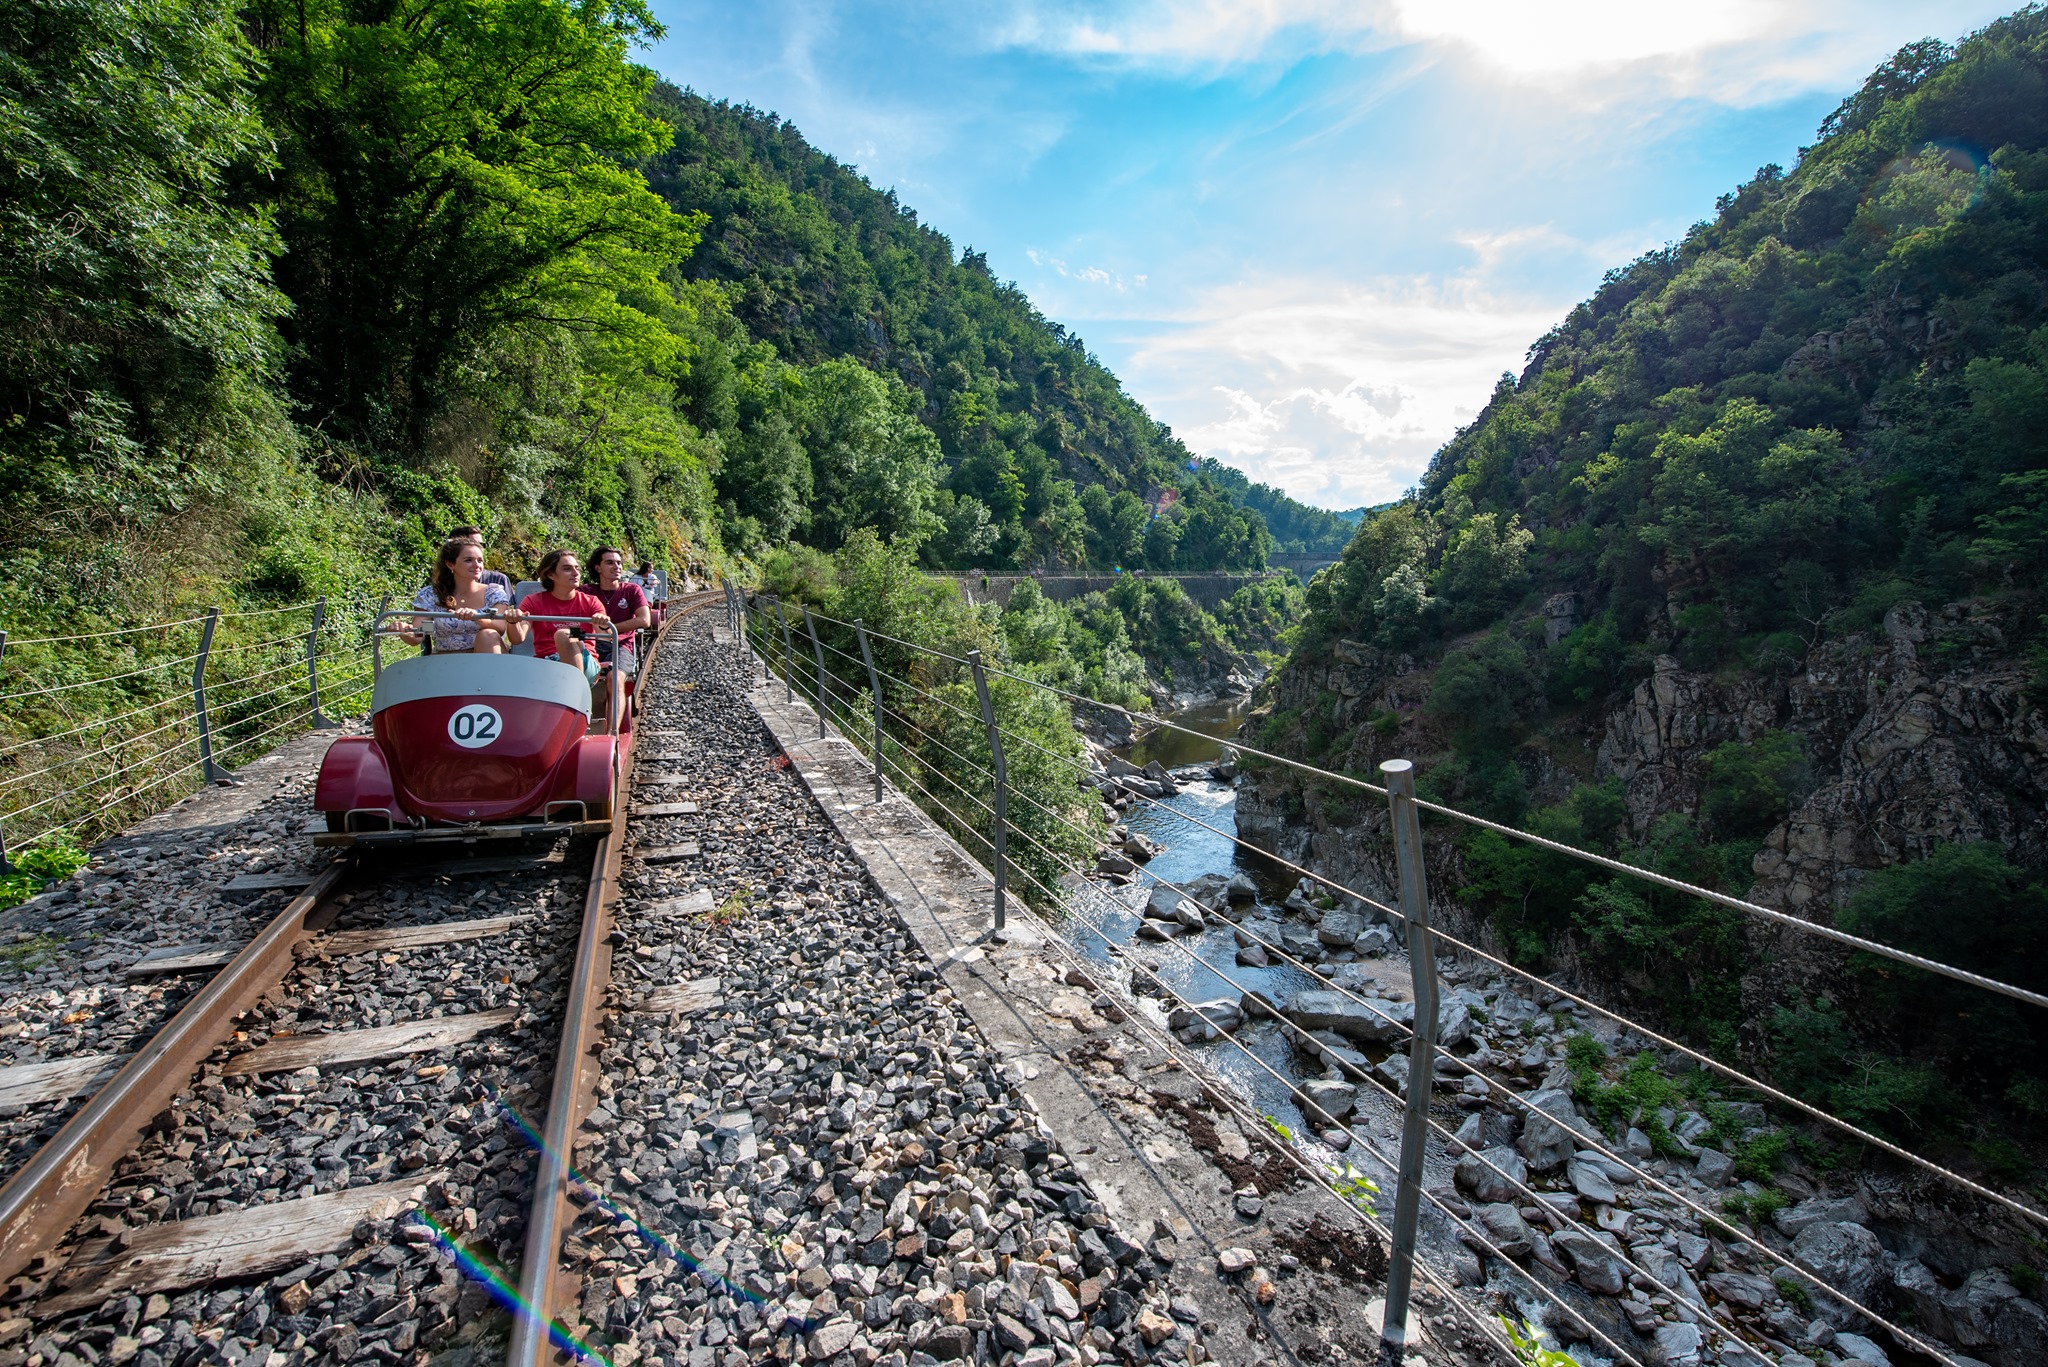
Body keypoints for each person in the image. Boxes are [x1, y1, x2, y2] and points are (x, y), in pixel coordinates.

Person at [407, 540, 528, 654]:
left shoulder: (494, 593)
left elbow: (500, 627)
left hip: (487, 655)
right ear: (450, 564)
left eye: (480, 560)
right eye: (468, 560)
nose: (477, 565)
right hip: (445, 658)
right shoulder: (431, 594)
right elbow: (418, 635)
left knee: (487, 635)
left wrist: (476, 617)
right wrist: (405, 630)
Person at [519, 549, 612, 682]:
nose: (575, 573)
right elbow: (518, 638)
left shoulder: (591, 602)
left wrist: (602, 624)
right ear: (550, 574)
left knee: (564, 635)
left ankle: (576, 691)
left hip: (585, 661)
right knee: (563, 635)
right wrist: (513, 621)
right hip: (547, 662)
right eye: (567, 569)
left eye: (577, 568)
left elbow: (607, 637)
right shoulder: (533, 601)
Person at [589, 546, 651, 663]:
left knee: (614, 678)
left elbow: (645, 620)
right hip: (591, 643)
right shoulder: (587, 591)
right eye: (610, 563)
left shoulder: (632, 590)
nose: (617, 567)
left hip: (621, 644)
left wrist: (611, 630)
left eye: (619, 563)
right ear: (598, 568)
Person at [445, 526, 513, 593]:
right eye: (472, 544)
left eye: (481, 545)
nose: (478, 548)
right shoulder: (440, 589)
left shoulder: (498, 581)